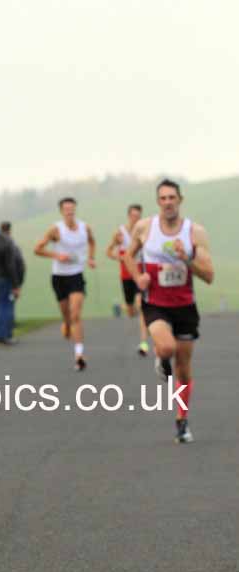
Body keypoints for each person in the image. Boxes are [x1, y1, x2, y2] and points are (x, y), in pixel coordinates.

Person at [123, 179, 214, 443]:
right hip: (156, 303)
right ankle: (161, 360)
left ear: (180, 200)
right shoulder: (145, 227)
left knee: (184, 369)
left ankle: (181, 421)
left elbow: (209, 275)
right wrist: (138, 278)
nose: (168, 203)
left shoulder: (194, 232)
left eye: (172, 197)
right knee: (166, 348)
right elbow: (127, 255)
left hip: (185, 305)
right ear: (157, 202)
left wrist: (187, 258)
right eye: (163, 198)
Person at [34, 197, 96, 370]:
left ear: (75, 209)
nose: (70, 211)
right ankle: (67, 323)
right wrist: (56, 256)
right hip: (59, 277)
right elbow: (37, 249)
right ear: (61, 211)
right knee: (67, 315)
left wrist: (91, 258)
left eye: (72, 208)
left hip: (76, 275)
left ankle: (79, 355)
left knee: (76, 314)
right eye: (66, 209)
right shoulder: (56, 230)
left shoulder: (85, 228)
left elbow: (92, 241)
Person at [106, 205, 149, 357]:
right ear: (128, 216)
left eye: (138, 216)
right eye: (133, 216)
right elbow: (108, 251)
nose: (136, 219)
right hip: (126, 275)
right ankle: (129, 308)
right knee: (131, 311)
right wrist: (120, 257)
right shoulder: (120, 233)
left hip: (140, 273)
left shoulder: (145, 231)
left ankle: (143, 343)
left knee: (141, 305)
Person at [0, 221, 25, 333]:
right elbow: (19, 264)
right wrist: (17, 284)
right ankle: (8, 331)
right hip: (9, 280)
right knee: (8, 305)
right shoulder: (11, 244)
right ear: (10, 230)